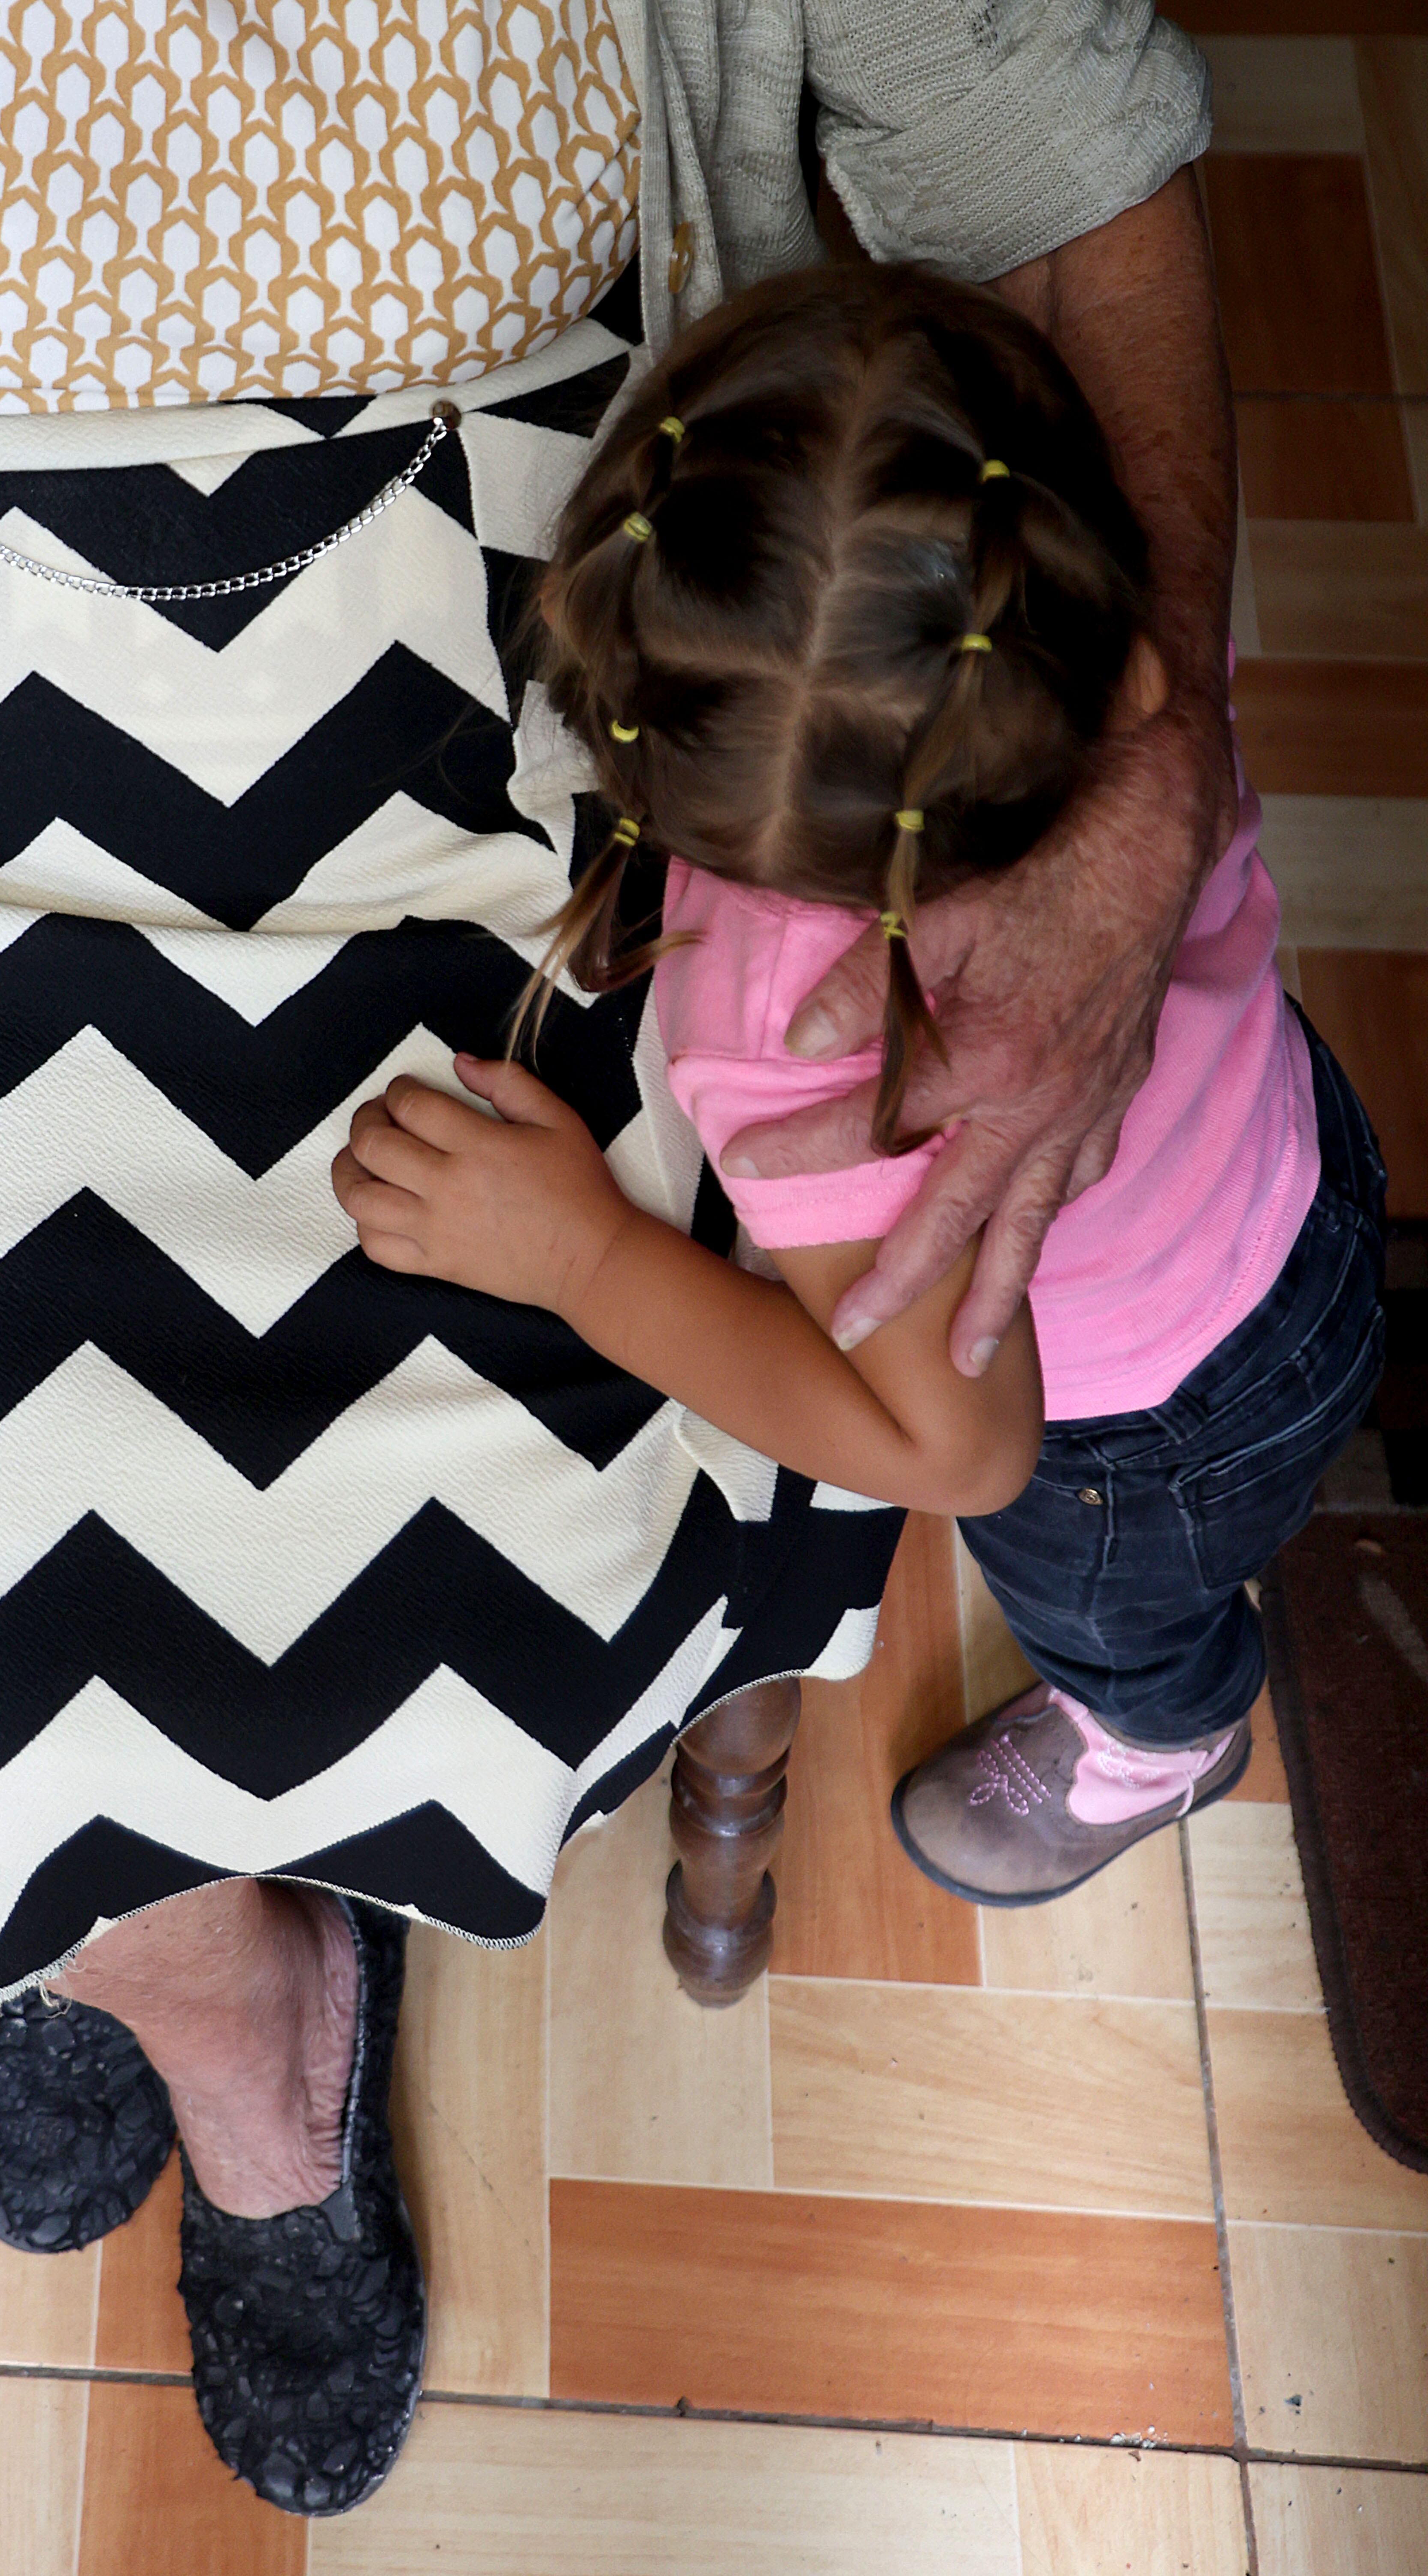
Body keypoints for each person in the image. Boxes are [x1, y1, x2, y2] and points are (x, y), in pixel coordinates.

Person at [0, 0, 1219, 2518]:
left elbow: (1064, 138)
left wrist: (1150, 770)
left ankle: (147, 1961)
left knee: (510, 1535)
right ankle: (206, 2001)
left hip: (544, 707)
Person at [337, 260, 1387, 1907]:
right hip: (1299, 1182)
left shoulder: (793, 1024)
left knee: (1133, 1625)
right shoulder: (1094, 642)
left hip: (1135, 1440)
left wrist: (581, 1259)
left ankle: (1163, 1739)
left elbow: (955, 1454)